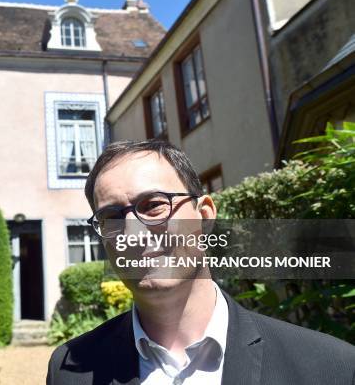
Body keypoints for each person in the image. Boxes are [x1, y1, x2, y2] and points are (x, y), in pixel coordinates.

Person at [46, 140, 355, 385]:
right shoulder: (71, 369)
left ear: (205, 217)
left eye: (154, 205)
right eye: (111, 217)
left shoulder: (329, 368)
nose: (134, 233)